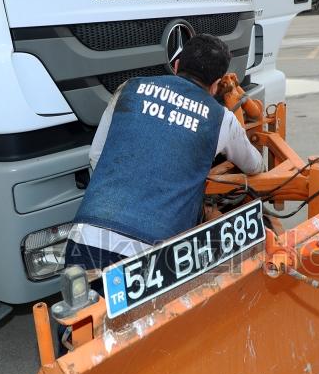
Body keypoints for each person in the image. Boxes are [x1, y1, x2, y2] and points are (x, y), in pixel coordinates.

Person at [65, 34, 264, 271]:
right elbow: (254, 165)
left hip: (86, 239)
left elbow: (97, 155)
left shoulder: (129, 89)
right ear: (216, 84)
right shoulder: (221, 119)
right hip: (154, 257)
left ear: (177, 64)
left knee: (89, 309)